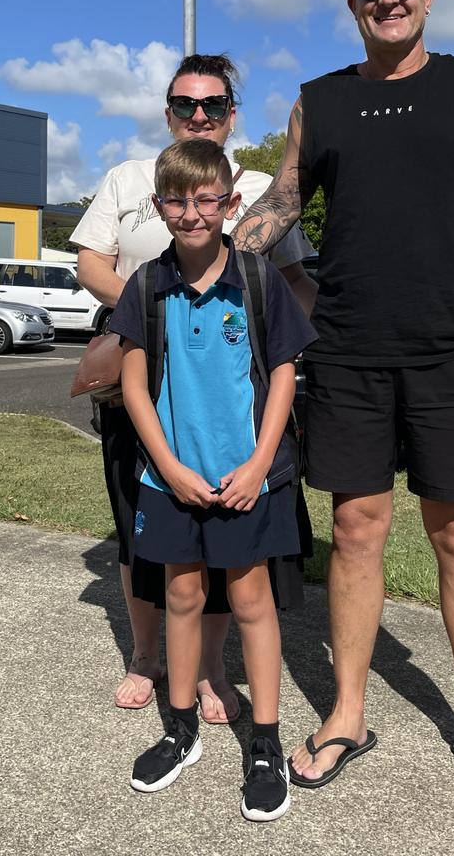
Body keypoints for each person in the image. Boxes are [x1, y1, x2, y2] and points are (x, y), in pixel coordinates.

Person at [232, 0, 454, 808]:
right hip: (350, 349)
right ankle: (348, 713)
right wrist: (208, 253)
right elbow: (283, 202)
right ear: (353, 0)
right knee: (357, 529)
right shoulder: (319, 101)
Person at [70, 54, 317, 719]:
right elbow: (90, 258)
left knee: (228, 531)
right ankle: (144, 656)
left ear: (233, 113)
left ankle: (211, 669)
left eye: (213, 105)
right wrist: (154, 312)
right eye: (185, 104)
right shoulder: (129, 178)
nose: (199, 115)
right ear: (168, 111)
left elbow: (293, 282)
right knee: (139, 523)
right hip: (139, 381)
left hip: (232, 393)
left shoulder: (262, 188)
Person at [109, 138, 317, 819]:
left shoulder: (256, 280)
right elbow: (134, 385)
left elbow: (284, 370)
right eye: (177, 199)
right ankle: (181, 730)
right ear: (158, 205)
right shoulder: (146, 284)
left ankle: (264, 744)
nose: (192, 213)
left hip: (246, 482)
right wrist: (166, 466)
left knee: (253, 603)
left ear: (231, 203)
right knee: (183, 597)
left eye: (206, 200)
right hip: (172, 483)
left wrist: (260, 463)